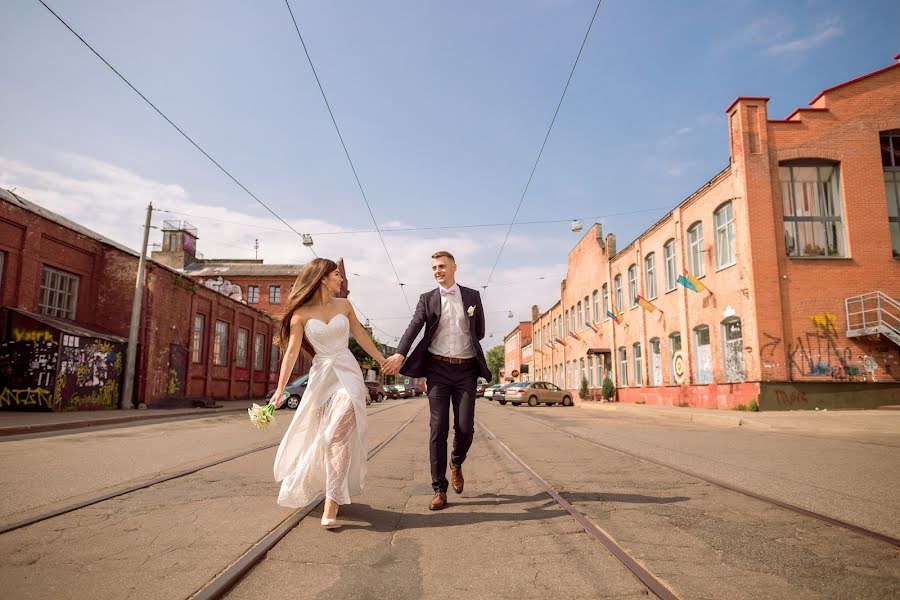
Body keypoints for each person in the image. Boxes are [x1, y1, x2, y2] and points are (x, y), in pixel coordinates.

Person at [270, 258, 387, 528]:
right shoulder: (300, 315)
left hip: (348, 374)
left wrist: (382, 360)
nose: (341, 279)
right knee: (325, 438)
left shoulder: (345, 306)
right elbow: (290, 353)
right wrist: (279, 391)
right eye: (336, 275)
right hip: (322, 378)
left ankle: (331, 504)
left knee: (337, 436)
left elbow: (361, 336)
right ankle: (328, 487)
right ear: (322, 278)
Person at [382, 251, 491, 510]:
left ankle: (456, 461)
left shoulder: (473, 296)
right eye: (433, 268)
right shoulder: (427, 299)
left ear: (454, 267)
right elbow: (414, 325)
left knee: (465, 428)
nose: (437, 271)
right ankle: (439, 490)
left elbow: (481, 331)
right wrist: (400, 352)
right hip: (438, 370)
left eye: (442, 266)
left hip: (466, 370)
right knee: (438, 428)